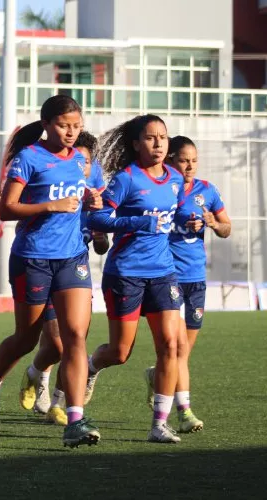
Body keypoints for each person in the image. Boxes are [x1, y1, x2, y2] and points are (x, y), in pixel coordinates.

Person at [0, 95, 102, 448]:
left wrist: (91, 204)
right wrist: (50, 205)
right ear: (46, 124)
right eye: (64, 125)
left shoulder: (80, 160)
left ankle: (74, 419)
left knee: (74, 337)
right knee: (26, 338)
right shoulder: (28, 158)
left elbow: (82, 200)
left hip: (72, 257)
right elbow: (8, 209)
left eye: (77, 126)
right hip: (33, 258)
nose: (71, 132)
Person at [86, 114, 185, 443]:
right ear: (135, 144)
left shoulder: (174, 178)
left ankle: (159, 424)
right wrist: (137, 223)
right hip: (125, 273)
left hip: (163, 272)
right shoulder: (127, 178)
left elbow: (174, 215)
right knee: (120, 352)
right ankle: (90, 367)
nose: (158, 144)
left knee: (170, 346)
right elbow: (99, 216)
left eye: (163, 137)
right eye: (150, 138)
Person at [16, 131, 109, 426]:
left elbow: (102, 244)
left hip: (76, 263)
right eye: (76, 158)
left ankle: (60, 402)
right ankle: (35, 374)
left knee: (74, 339)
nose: (79, 166)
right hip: (43, 260)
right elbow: (19, 216)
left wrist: (98, 229)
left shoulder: (94, 183)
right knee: (53, 343)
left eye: (85, 162)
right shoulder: (50, 175)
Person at [144, 136, 231, 433]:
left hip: (196, 278)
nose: (190, 165)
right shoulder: (164, 190)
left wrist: (211, 222)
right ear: (171, 161)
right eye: (183, 159)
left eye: (194, 159)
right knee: (177, 348)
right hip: (168, 277)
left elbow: (226, 228)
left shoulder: (208, 190)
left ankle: (158, 376)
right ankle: (185, 412)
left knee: (183, 352)